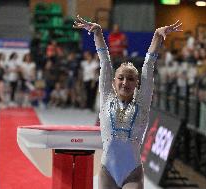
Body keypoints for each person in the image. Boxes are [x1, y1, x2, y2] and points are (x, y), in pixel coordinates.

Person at [74, 15, 182, 189]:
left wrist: (156, 36)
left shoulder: (142, 103)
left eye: (131, 79)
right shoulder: (107, 97)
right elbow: (105, 62)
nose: (125, 82)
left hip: (132, 172)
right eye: (121, 78)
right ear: (113, 81)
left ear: (137, 83)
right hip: (107, 171)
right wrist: (98, 33)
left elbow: (148, 66)